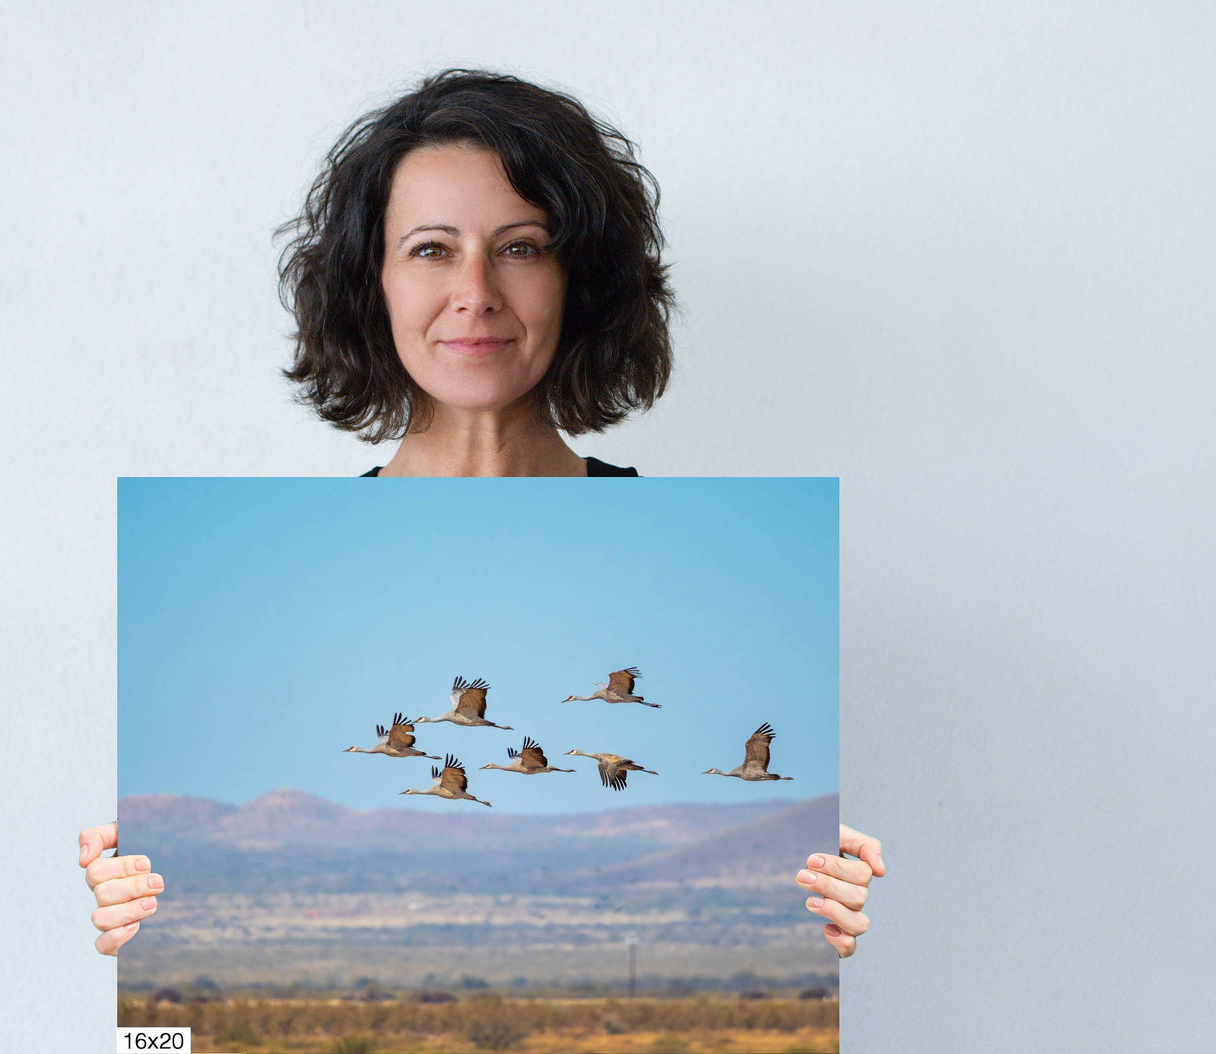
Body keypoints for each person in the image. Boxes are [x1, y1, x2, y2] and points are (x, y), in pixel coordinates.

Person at [80, 68, 884, 959]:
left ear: (579, 280)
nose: (476, 292)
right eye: (430, 249)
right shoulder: (256, 589)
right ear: (371, 283)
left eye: (521, 246)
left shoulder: (724, 568)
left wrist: (808, 909)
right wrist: (159, 923)